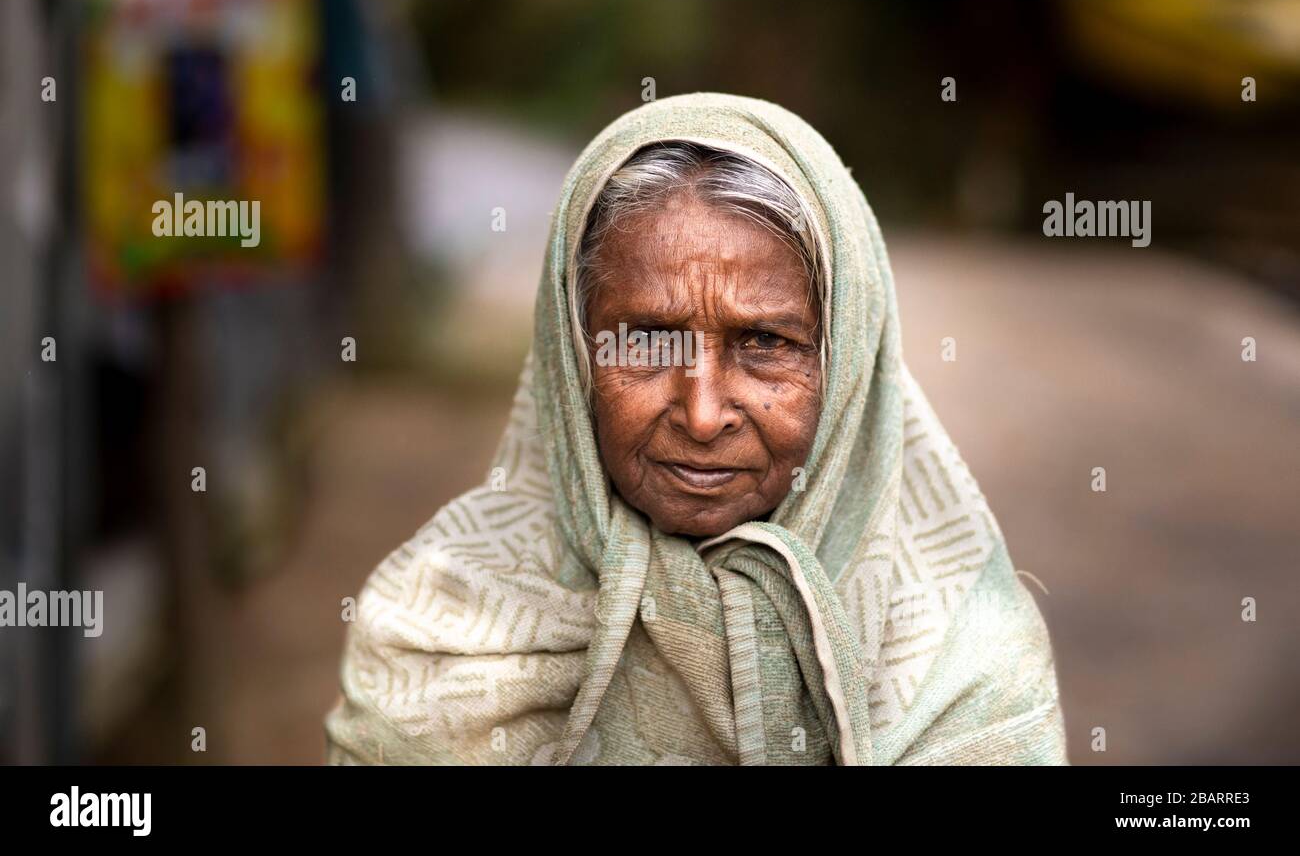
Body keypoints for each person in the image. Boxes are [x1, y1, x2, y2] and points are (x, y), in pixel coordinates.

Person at [323, 92, 1068, 765]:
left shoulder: (964, 656)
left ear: (844, 367)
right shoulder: (438, 630)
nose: (704, 414)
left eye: (766, 344)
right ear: (574, 353)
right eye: (646, 340)